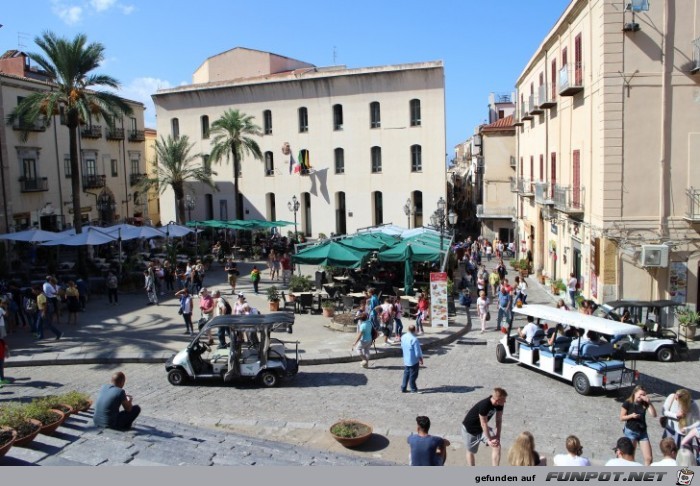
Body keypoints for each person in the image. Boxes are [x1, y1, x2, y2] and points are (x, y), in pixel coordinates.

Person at [462, 387, 508, 466]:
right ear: (498, 400)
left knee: (496, 445)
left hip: (482, 429)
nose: (505, 401)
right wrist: (490, 439)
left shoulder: (500, 404)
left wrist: (497, 436)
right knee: (471, 451)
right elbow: (484, 423)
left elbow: (499, 420)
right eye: (504, 400)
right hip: (470, 430)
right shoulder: (485, 405)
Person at [620, 384, 657, 465]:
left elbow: (654, 415)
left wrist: (649, 403)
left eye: (644, 395)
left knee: (649, 458)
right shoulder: (627, 403)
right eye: (640, 394)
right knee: (630, 457)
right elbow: (622, 418)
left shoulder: (644, 403)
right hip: (631, 431)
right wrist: (631, 416)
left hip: (642, 432)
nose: (642, 396)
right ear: (635, 393)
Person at [400, 324, 423, 393]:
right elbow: (417, 351)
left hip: (406, 358)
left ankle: (403, 388)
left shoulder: (403, 336)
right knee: (413, 375)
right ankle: (413, 389)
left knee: (406, 373)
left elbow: (402, 346)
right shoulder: (414, 339)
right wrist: (420, 358)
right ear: (414, 330)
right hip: (413, 360)